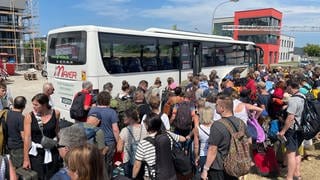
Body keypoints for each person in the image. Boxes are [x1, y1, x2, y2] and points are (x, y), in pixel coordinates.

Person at [201, 93, 250, 180]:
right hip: (235, 165)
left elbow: (212, 149)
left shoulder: (217, 125)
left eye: (216, 105)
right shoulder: (241, 123)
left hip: (219, 167)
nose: (215, 107)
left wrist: (205, 169)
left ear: (222, 108)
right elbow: (249, 142)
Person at [132, 113, 185, 179]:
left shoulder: (143, 143)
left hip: (152, 176)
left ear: (148, 126)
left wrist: (133, 177)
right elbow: (183, 139)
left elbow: (137, 165)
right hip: (170, 174)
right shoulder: (168, 135)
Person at [23, 93, 61, 179]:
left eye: (36, 105)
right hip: (36, 154)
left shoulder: (56, 113)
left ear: (44, 105)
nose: (33, 107)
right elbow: (27, 138)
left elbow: (57, 131)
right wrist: (26, 159)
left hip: (52, 150)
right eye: (33, 104)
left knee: (53, 175)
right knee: (39, 176)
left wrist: (60, 146)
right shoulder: (29, 116)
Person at [87, 91, 119, 179]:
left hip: (95, 141)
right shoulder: (112, 112)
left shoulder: (92, 110)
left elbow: (88, 125)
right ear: (108, 100)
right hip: (109, 142)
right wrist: (118, 142)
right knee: (108, 165)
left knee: (96, 164)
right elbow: (115, 129)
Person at [278, 81, 305, 180]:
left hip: (292, 130)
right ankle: (297, 174)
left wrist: (283, 131)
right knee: (296, 152)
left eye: (287, 87)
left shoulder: (293, 100)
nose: (286, 89)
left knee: (290, 154)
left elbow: (290, 118)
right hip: (301, 128)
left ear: (290, 87)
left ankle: (289, 177)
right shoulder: (303, 96)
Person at [117, 108, 148, 178]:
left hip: (128, 161)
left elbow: (119, 149)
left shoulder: (124, 131)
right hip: (142, 160)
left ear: (130, 118)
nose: (123, 118)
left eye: (125, 116)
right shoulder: (145, 128)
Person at [6, 96, 27, 169]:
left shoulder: (7, 114)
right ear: (24, 106)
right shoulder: (21, 118)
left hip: (7, 146)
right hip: (18, 148)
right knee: (17, 170)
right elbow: (23, 136)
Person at [194, 107, 213, 173]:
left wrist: (196, 157)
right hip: (213, 155)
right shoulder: (215, 126)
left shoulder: (198, 128)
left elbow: (196, 146)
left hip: (203, 155)